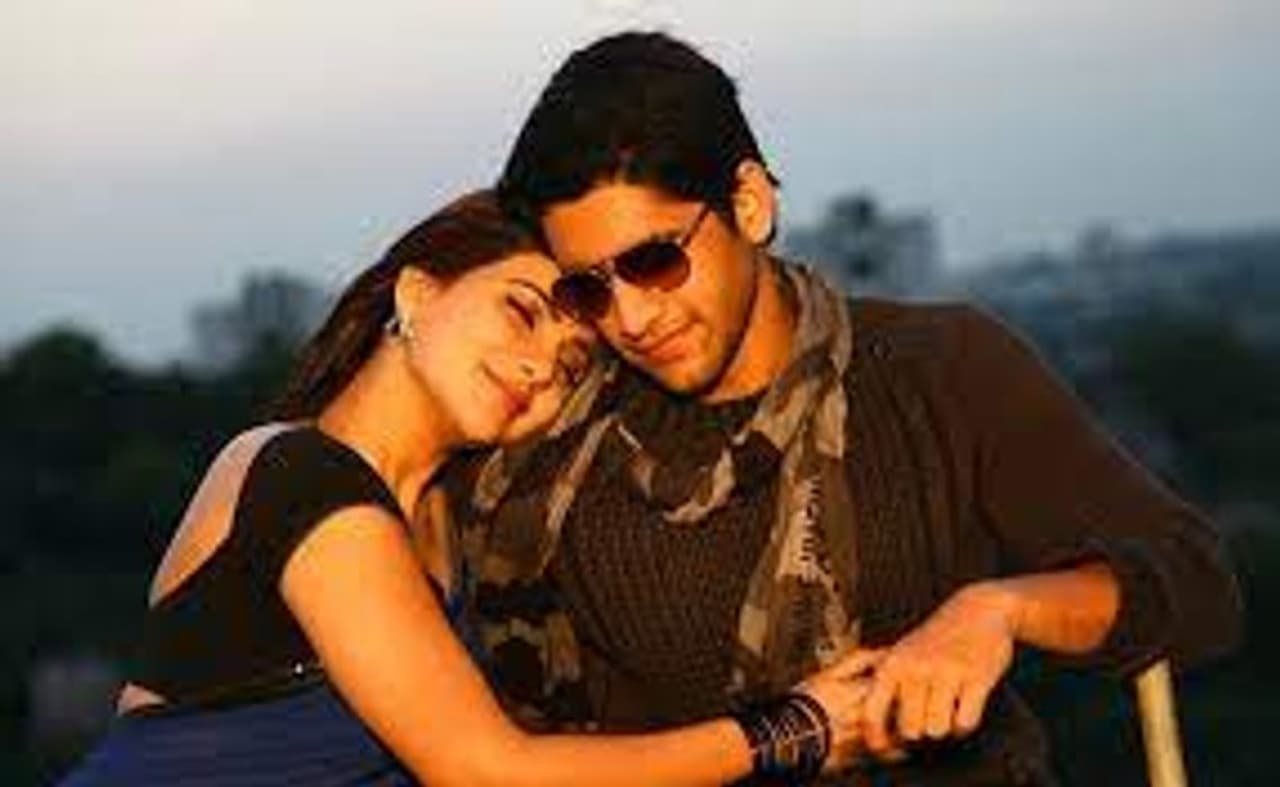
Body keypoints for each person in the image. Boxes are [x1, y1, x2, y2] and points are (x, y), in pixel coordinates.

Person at [455, 32, 1244, 785]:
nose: (630, 318)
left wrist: (1000, 609)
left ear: (749, 204)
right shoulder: (553, 459)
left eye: (654, 260)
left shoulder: (934, 368)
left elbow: (1196, 582)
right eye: (588, 288)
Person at [58, 191, 875, 787]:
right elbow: (484, 769)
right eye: (522, 313)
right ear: (418, 294)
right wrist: (789, 733)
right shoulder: (299, 472)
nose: (539, 367)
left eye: (571, 365)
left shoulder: (454, 527)